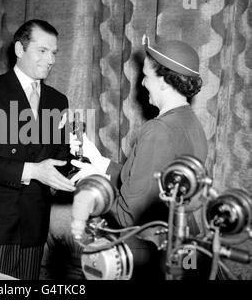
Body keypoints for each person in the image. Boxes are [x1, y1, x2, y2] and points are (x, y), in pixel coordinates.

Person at [69, 36, 208, 279]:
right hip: (185, 246)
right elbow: (146, 181)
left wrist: (95, 184)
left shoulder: (158, 130)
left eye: (147, 76)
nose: (143, 84)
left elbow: (129, 216)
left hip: (152, 253)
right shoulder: (191, 122)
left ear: (165, 81)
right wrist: (100, 162)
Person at [0, 19, 75, 279]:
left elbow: (58, 158)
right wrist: (33, 170)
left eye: (54, 52)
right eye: (42, 51)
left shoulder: (58, 100)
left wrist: (79, 161)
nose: (51, 59)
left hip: (34, 227)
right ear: (19, 50)